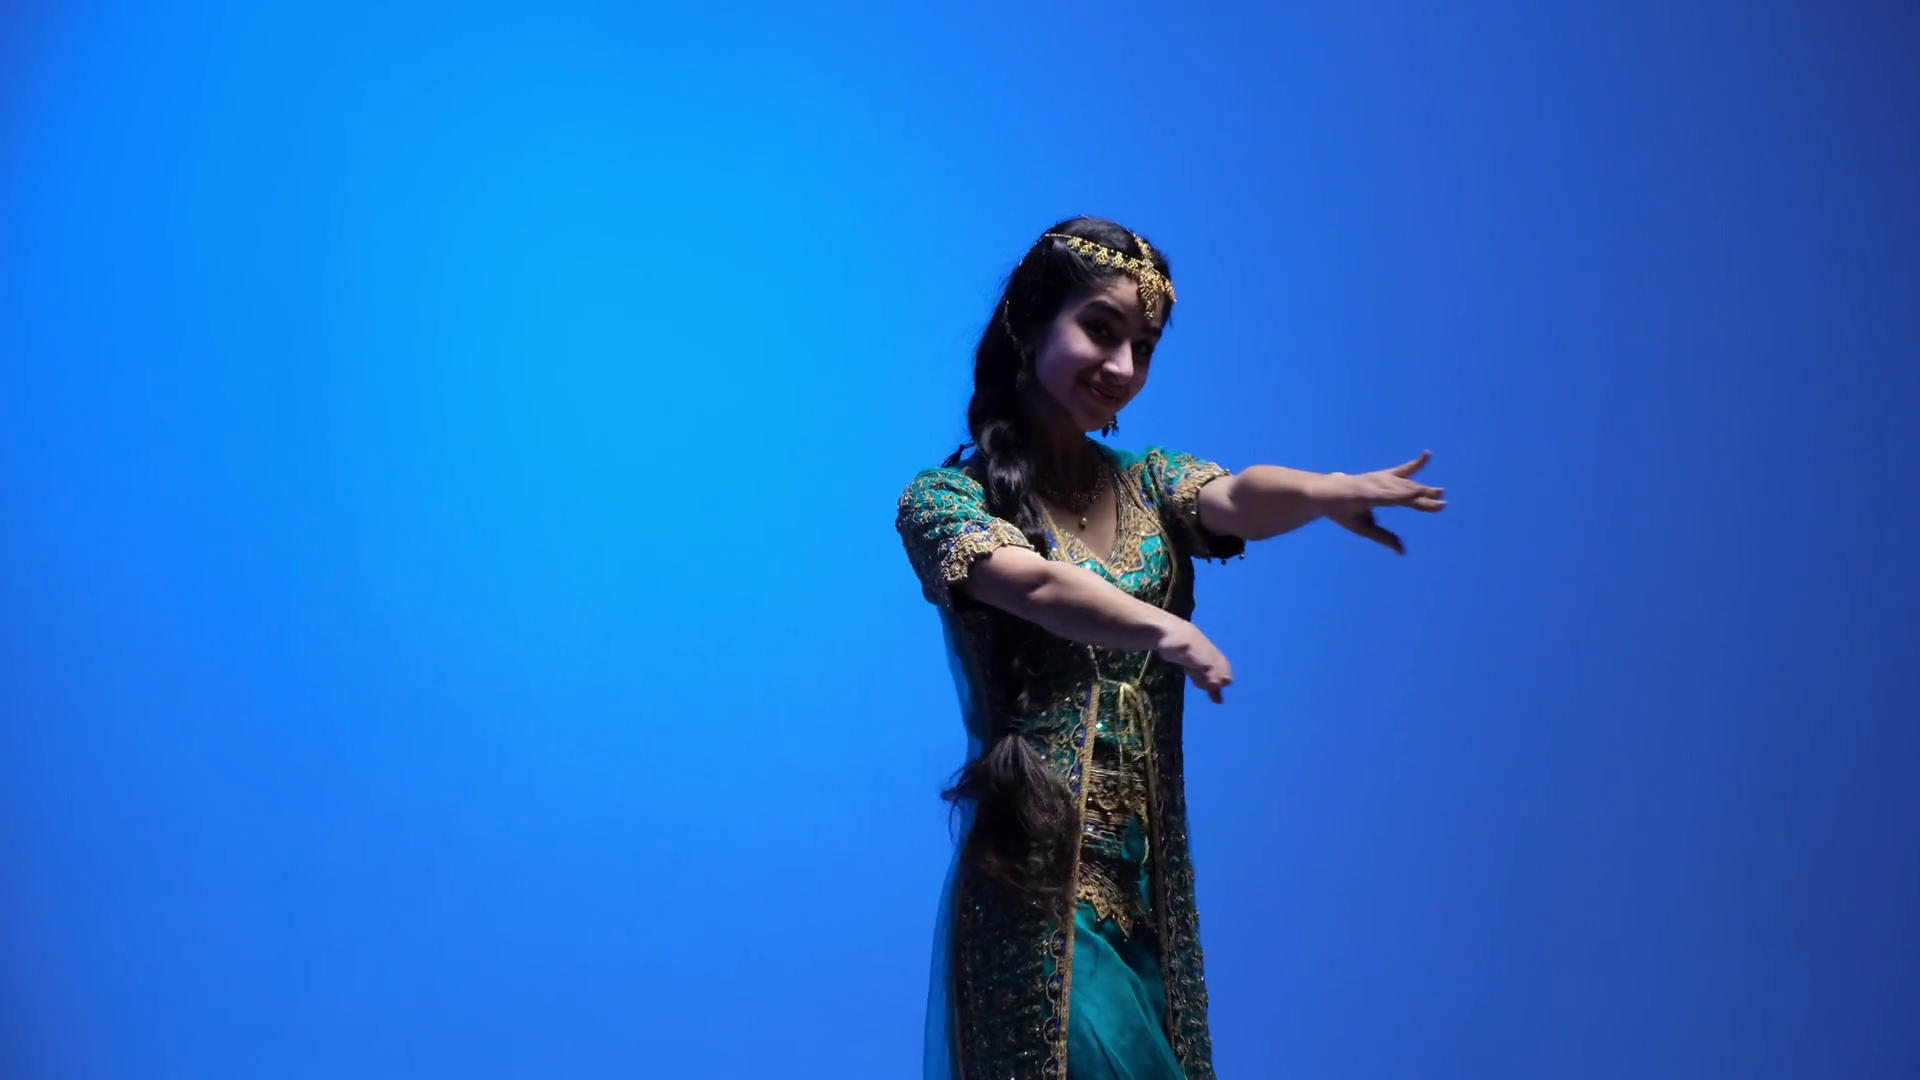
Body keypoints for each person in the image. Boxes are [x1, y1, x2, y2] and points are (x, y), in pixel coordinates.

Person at [895, 217, 1444, 1080]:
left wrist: (1324, 491)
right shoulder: (944, 501)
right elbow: (1030, 584)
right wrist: (1161, 625)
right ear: (1031, 323)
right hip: (1033, 889)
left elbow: (1237, 499)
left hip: (1147, 891)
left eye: (1143, 348)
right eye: (1100, 330)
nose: (1121, 367)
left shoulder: (1148, 481)